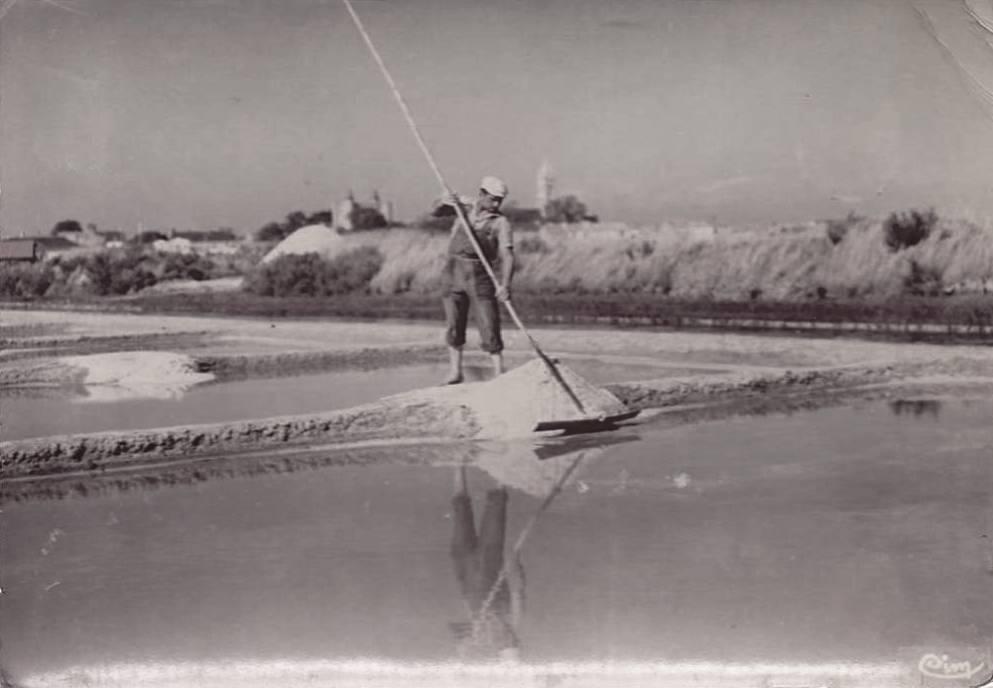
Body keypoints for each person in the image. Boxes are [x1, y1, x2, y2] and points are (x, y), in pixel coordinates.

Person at [441, 176, 515, 385]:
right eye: (493, 199)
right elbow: (436, 212)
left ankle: (499, 372)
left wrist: (505, 285)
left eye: (500, 200)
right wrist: (446, 200)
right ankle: (456, 372)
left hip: (480, 273)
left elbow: (508, 255)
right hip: (453, 270)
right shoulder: (463, 207)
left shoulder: (501, 222)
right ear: (481, 194)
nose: (496, 204)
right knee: (454, 323)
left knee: (488, 322)